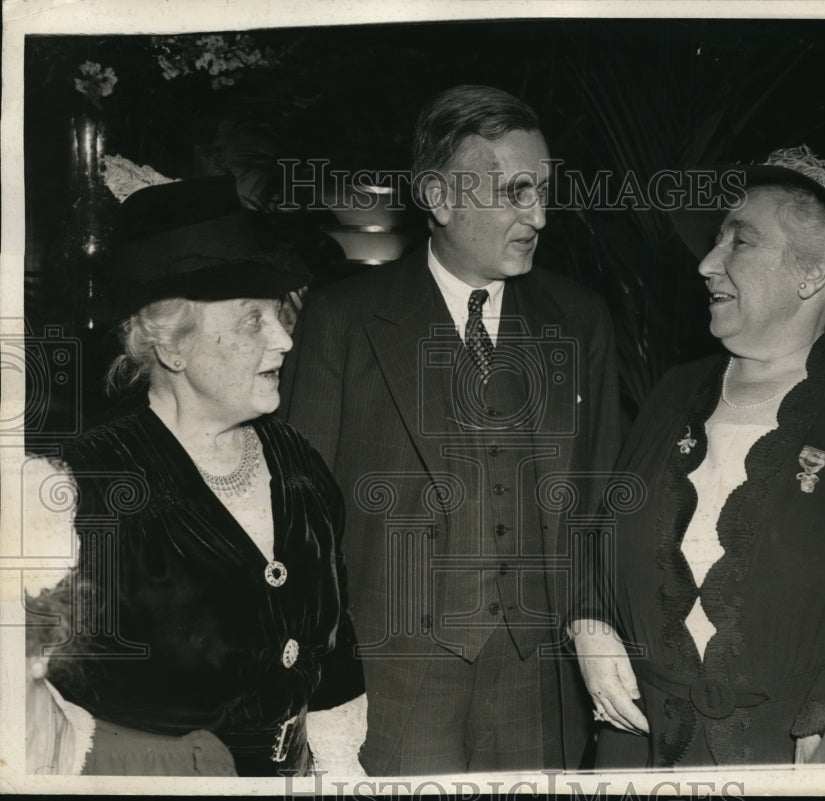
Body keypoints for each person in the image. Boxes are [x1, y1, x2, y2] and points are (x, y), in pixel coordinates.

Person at [571, 145, 825, 766]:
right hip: (637, 746)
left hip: (785, 753)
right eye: (716, 240)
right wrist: (589, 624)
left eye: (740, 242)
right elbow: (597, 533)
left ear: (811, 275)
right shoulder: (674, 392)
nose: (705, 262)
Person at [280, 84, 621, 774]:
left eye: (544, 189)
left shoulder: (579, 319)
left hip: (539, 676)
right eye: (516, 192)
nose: (541, 215)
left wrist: (590, 622)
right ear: (439, 198)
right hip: (395, 673)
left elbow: (599, 498)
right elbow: (299, 514)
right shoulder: (343, 318)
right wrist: (318, 681)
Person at [31, 175, 362, 776]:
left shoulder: (297, 463)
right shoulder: (84, 488)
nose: (287, 339)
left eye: (281, 314)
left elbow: (335, 651)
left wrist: (338, 765)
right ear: (173, 346)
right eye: (252, 322)